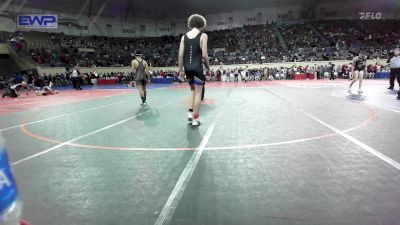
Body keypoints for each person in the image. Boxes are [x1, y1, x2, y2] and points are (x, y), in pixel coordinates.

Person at [178, 14, 210, 126]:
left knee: (192, 91)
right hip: (197, 68)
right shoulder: (203, 35)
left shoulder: (184, 37)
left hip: (187, 68)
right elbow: (205, 55)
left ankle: (190, 114)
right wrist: (208, 68)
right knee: (198, 93)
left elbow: (180, 55)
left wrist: (181, 70)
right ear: (201, 24)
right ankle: (195, 119)